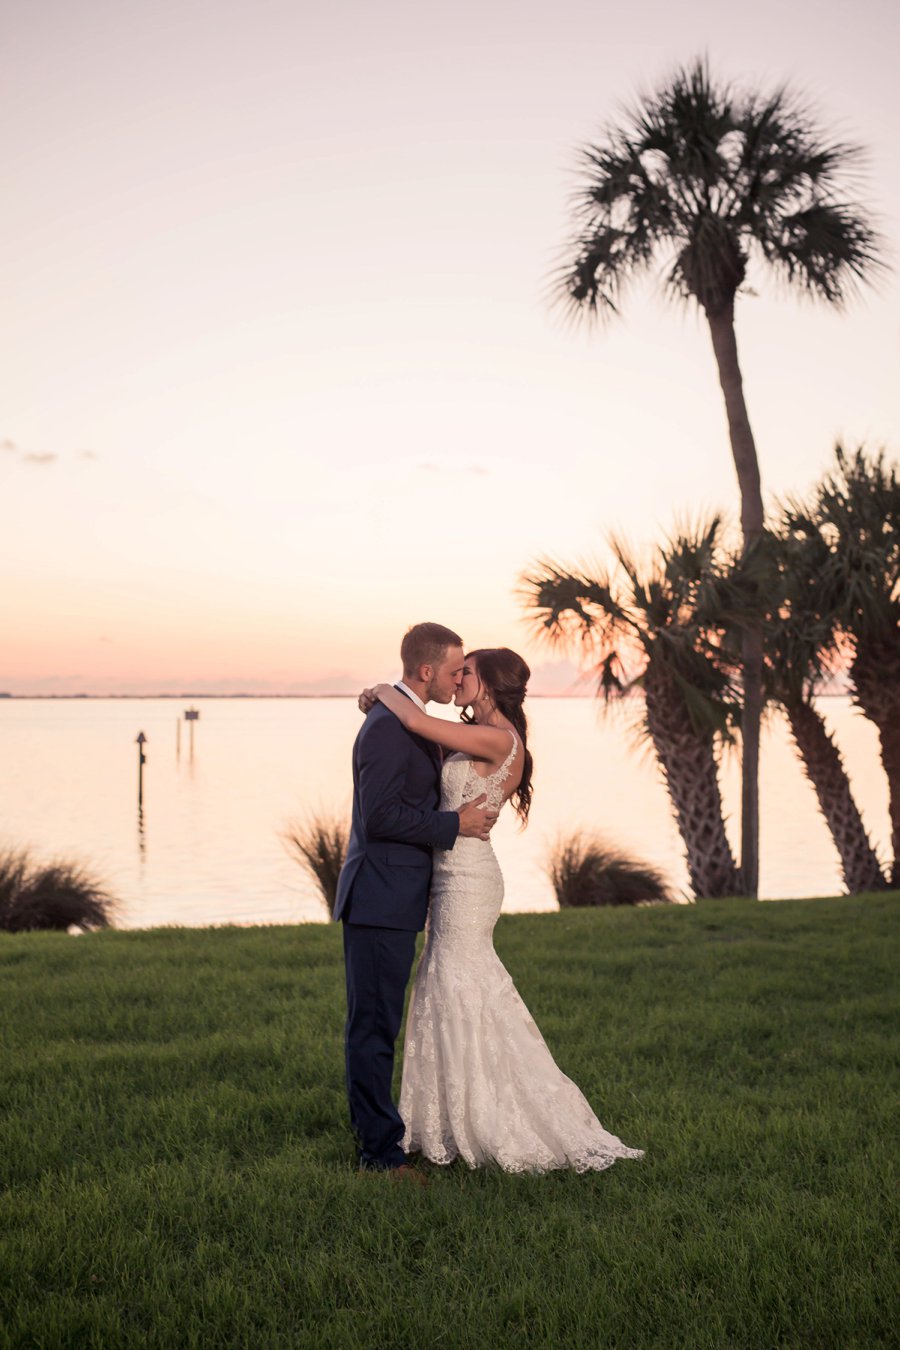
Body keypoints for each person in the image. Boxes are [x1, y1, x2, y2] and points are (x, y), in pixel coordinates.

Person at [363, 647, 644, 1174]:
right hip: (451, 874)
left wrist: (382, 692)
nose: (458, 678)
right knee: (444, 989)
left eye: (466, 671)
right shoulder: (486, 733)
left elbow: (417, 720)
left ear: (488, 683)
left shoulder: (499, 738)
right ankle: (444, 1116)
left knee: (461, 986)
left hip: (469, 879)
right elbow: (424, 729)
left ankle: (499, 1117)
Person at [334, 622, 499, 1179]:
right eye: (454, 670)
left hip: (397, 897)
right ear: (426, 670)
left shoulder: (410, 718)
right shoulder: (387, 728)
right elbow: (379, 817)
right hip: (378, 898)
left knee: (379, 1023)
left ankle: (385, 1139)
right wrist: (454, 824)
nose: (459, 680)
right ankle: (379, 1156)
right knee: (373, 1027)